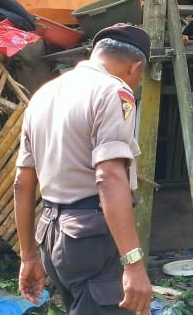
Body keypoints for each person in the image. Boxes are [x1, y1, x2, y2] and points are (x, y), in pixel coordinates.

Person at [14, 23, 153, 314]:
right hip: (90, 239)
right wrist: (134, 263)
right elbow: (109, 176)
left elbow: (22, 183)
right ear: (135, 67)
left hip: (51, 236)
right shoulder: (114, 93)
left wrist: (28, 256)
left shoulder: (43, 95)